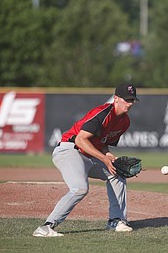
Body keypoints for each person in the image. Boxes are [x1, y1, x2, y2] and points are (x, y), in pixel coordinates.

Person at [33, 83, 139, 237]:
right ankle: (46, 227)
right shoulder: (102, 113)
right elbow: (81, 140)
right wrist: (103, 158)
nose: (129, 104)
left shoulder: (124, 121)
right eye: (126, 99)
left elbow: (102, 143)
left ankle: (116, 220)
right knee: (80, 188)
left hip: (88, 154)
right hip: (69, 150)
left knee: (117, 174)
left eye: (132, 100)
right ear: (116, 99)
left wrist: (108, 155)